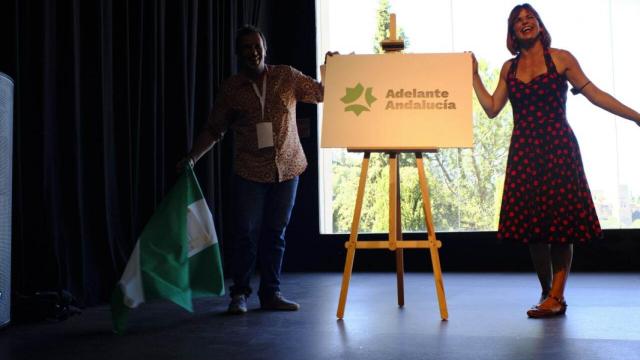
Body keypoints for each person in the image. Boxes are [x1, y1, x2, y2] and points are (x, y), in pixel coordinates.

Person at [471, 3, 640, 318]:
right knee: (534, 231)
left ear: (539, 24)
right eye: (518, 20)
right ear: (512, 32)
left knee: (561, 226)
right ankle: (548, 291)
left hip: (558, 148)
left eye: (530, 17)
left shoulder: (560, 59)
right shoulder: (509, 68)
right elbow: (492, 108)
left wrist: (636, 117)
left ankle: (557, 297)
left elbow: (595, 94)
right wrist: (475, 76)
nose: (525, 23)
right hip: (524, 153)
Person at [179, 25, 334, 314]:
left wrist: (332, 66)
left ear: (265, 48)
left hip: (287, 168)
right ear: (239, 53)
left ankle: (271, 294)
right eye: (246, 48)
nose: (253, 52)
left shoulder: (286, 76)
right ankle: (239, 294)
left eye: (257, 46)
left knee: (276, 232)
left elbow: (321, 94)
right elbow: (214, 129)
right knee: (246, 233)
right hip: (249, 170)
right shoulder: (231, 89)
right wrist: (192, 157)